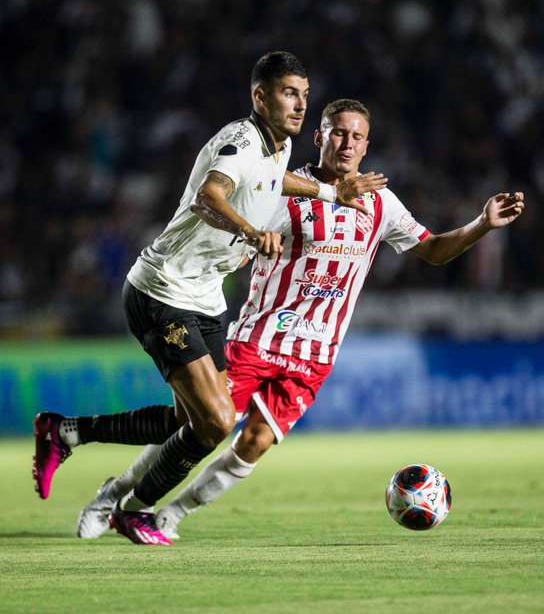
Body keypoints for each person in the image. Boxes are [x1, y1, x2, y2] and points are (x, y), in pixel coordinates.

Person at [73, 98, 525, 543]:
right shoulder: (280, 191)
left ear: (367, 146)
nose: (347, 144)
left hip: (316, 355)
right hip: (257, 338)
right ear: (319, 136)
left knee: (253, 443)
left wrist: (481, 224)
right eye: (339, 133)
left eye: (357, 137)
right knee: (200, 425)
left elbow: (434, 250)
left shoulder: (381, 204)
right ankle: (115, 494)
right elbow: (231, 213)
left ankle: (170, 514)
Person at [32, 54, 388, 545]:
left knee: (190, 421)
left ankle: (67, 433)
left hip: (204, 295)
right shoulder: (240, 141)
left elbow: (273, 179)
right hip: (164, 288)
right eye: (289, 92)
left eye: (305, 94)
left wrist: (330, 195)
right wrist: (250, 230)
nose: (300, 103)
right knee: (217, 421)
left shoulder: (275, 146)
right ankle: (133, 509)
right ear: (259, 96)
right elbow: (209, 197)